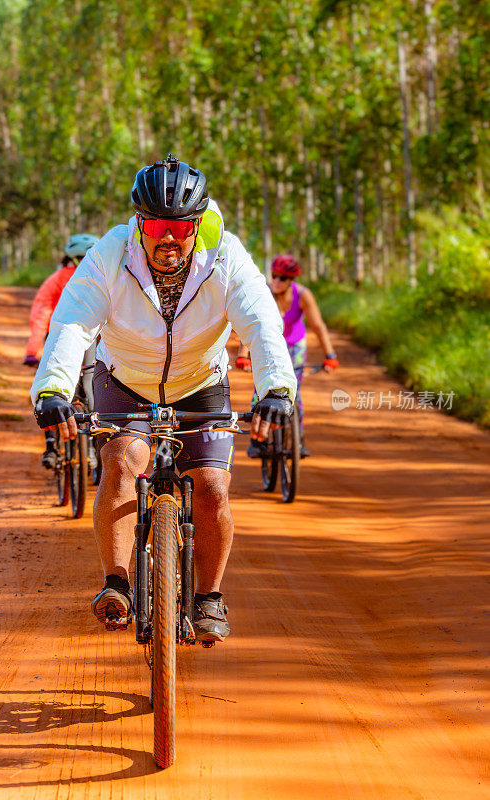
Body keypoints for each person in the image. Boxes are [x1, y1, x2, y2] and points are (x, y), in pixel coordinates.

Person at [31, 155, 297, 642]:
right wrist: (52, 389)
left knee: (213, 484)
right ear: (139, 223)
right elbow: (72, 321)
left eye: (179, 225)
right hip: (125, 378)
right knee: (121, 461)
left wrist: (276, 388)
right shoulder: (111, 254)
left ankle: (208, 597)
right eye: (156, 224)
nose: (167, 237)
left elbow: (261, 324)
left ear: (197, 224)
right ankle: (117, 585)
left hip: (201, 382)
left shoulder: (226, 257)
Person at [236, 254, 338, 458]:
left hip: (294, 346)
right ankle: (258, 441)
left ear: (291, 280)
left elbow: (317, 326)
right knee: (263, 389)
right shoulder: (263, 293)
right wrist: (243, 354)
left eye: (282, 278)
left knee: (294, 393)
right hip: (267, 344)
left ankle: (298, 440)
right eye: (274, 276)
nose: (276, 281)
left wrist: (330, 354)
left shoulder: (303, 295)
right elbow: (253, 326)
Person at [23, 233, 100, 468]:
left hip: (58, 340)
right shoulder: (100, 276)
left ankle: (50, 447)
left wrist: (32, 349)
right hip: (92, 340)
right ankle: (97, 449)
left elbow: (41, 314)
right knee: (91, 387)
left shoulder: (56, 278)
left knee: (47, 390)